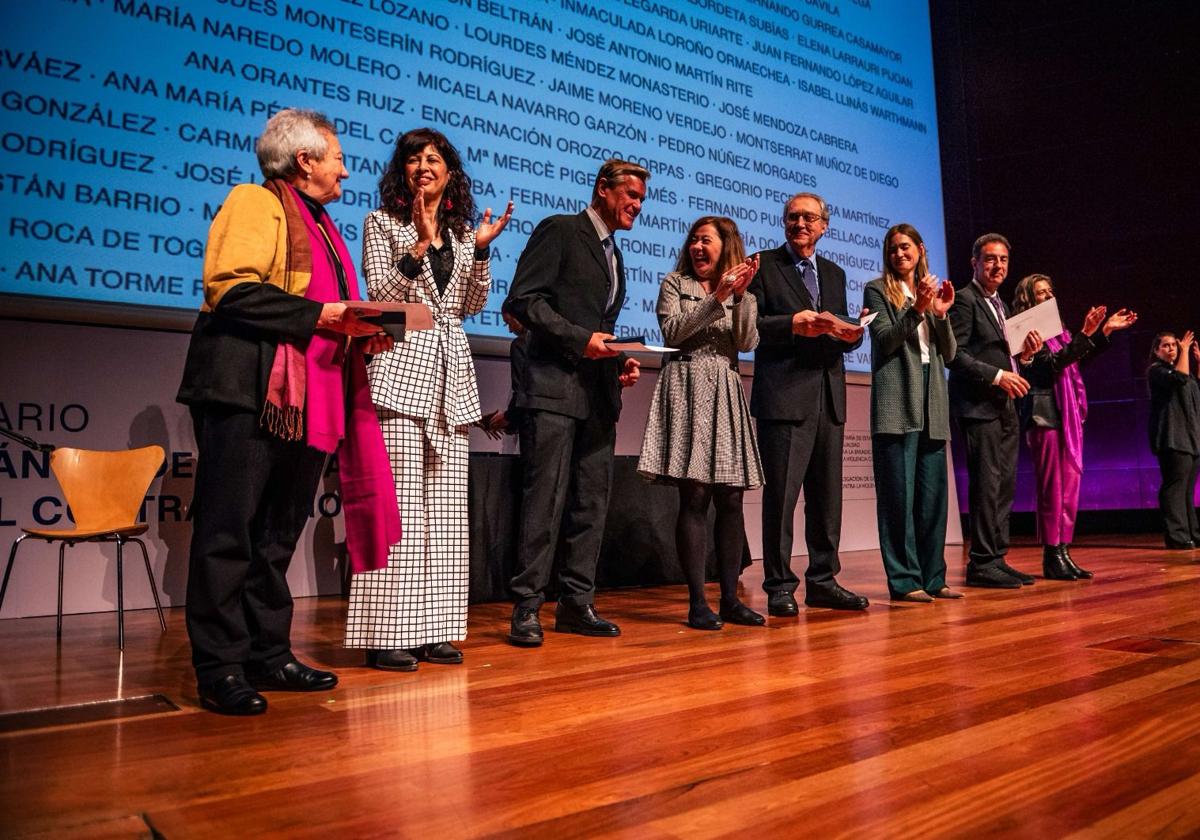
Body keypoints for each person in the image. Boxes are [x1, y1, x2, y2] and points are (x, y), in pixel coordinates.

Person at [177, 109, 400, 715]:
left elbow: (325, 310)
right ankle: (219, 667)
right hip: (250, 388)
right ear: (304, 161)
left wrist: (357, 331)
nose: (346, 171)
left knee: (277, 535)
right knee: (231, 533)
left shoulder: (323, 224)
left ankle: (268, 653)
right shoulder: (257, 201)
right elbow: (232, 288)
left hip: (313, 396)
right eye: (336, 157)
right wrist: (327, 316)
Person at [346, 128, 512, 671]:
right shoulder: (382, 224)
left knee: (444, 515)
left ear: (449, 173)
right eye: (414, 158)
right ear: (403, 172)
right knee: (399, 513)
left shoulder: (463, 235)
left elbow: (468, 304)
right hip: (399, 374)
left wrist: (481, 252)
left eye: (434, 158)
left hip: (451, 381)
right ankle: (385, 632)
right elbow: (383, 296)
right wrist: (418, 245)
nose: (424, 165)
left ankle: (433, 627)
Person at [503, 159, 646, 646]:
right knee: (543, 502)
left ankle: (576, 603)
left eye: (642, 200)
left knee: (591, 502)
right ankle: (527, 607)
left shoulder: (616, 256)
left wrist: (617, 360)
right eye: (630, 195)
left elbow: (597, 325)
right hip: (553, 388)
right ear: (602, 189)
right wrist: (580, 340)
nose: (637, 206)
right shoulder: (560, 230)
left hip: (597, 395)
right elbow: (525, 300)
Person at [637, 216, 764, 629]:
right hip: (688, 385)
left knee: (731, 498)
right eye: (693, 239)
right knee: (695, 497)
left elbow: (745, 342)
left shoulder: (744, 295)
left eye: (705, 240)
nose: (696, 247)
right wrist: (718, 297)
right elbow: (674, 331)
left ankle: (730, 599)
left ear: (726, 247)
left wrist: (740, 297)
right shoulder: (676, 283)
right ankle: (697, 603)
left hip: (726, 390)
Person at [748, 192, 869, 614]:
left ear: (824, 226)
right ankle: (779, 585)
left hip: (828, 396)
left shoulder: (834, 273)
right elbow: (750, 326)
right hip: (784, 397)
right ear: (784, 223)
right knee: (781, 498)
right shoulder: (763, 265)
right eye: (793, 217)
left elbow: (840, 324)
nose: (800, 223)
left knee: (826, 498)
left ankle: (822, 580)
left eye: (809, 218)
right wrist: (794, 325)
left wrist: (853, 333)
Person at [1010, 274, 1137, 578]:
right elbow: (1051, 366)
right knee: (1052, 489)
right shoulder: (1027, 331)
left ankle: (1064, 551)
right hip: (1045, 416)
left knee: (1069, 487)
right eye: (1040, 293)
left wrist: (1102, 332)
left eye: (1050, 291)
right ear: (1028, 299)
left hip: (1066, 415)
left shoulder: (1060, 333)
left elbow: (1075, 360)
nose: (1047, 296)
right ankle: (1051, 554)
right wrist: (1086, 332)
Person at [863, 224, 961, 602]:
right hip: (897, 397)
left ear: (920, 249)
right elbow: (886, 341)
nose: (899, 254)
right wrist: (917, 308)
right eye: (892, 249)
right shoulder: (877, 289)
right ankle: (905, 581)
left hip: (932, 395)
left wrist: (941, 313)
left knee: (933, 498)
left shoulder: (932, 291)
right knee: (898, 498)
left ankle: (934, 577)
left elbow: (949, 353)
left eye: (905, 247)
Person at [947, 233, 1032, 589]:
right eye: (990, 259)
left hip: (1005, 406)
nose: (998, 266)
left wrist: (1024, 356)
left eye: (1003, 260)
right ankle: (981, 562)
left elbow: (1005, 354)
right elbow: (955, 354)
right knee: (986, 486)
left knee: (1004, 485)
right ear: (975, 263)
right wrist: (996, 376)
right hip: (979, 405)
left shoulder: (1001, 305)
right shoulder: (965, 301)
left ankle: (997, 556)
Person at [1147, 330, 1200, 550]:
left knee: (1187, 489)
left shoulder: (1181, 370)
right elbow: (1179, 380)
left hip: (1190, 437)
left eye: (1174, 346)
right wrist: (1185, 351)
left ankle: (1192, 533)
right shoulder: (1157, 371)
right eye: (1166, 346)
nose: (1172, 349)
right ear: (1157, 351)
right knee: (1175, 487)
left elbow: (1193, 387)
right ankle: (1176, 535)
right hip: (1172, 437)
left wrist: (1198, 362)